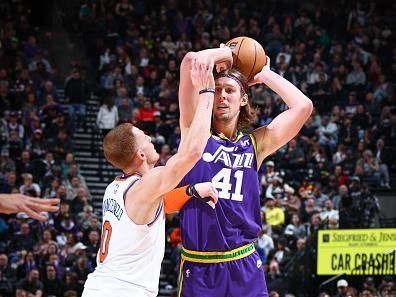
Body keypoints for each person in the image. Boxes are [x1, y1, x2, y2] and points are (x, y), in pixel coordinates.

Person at [176, 45, 313, 296]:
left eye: (230, 91)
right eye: (217, 90)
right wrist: (226, 55)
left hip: (244, 263)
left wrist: (264, 75)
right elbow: (189, 62)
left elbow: (303, 107)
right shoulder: (193, 133)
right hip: (201, 265)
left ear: (244, 99)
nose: (222, 96)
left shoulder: (254, 144)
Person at [82, 57, 219, 297]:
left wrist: (191, 191)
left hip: (103, 286)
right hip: (122, 291)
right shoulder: (143, 186)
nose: (150, 137)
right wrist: (207, 91)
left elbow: (157, 205)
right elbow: (193, 152)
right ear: (141, 154)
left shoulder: (116, 187)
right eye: (144, 136)